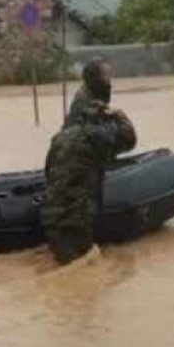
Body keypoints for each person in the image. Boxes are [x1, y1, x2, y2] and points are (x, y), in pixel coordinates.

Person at [41, 101, 136, 266]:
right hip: (75, 219)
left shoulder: (60, 137)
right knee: (81, 273)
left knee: (65, 267)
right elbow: (129, 139)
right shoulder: (97, 136)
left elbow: (48, 171)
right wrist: (120, 115)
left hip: (51, 216)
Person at [65, 58, 113, 128]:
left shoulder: (96, 93)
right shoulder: (84, 98)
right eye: (105, 75)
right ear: (95, 77)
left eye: (109, 75)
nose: (109, 80)